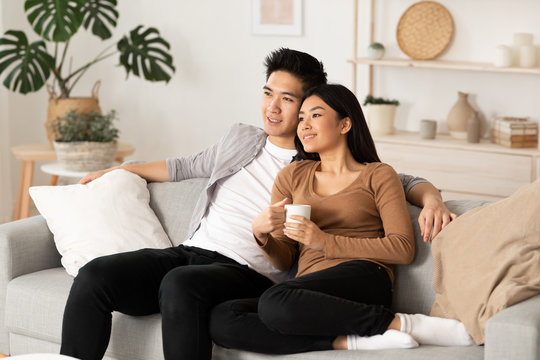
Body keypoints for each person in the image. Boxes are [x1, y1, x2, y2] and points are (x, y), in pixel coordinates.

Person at [60, 48, 455, 360]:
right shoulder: (241, 139)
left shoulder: (316, 160)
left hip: (247, 272)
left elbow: (392, 179)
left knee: (181, 285)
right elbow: (183, 166)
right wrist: (119, 170)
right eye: (268, 93)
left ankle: (390, 327)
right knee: (96, 276)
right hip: (190, 252)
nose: (274, 107)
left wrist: (433, 197)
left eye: (288, 100)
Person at [209, 84, 474, 354]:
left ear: (345, 124)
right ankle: (350, 340)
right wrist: (262, 236)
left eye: (315, 115)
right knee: (222, 317)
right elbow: (285, 258)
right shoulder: (291, 176)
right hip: (307, 288)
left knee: (275, 301)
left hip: (364, 275)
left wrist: (324, 241)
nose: (304, 125)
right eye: (301, 118)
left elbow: (403, 248)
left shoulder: (378, 174)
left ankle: (404, 324)